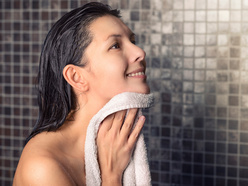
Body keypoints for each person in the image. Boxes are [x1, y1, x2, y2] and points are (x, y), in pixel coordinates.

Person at [13, 2, 150, 185]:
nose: (140, 52)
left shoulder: (116, 143)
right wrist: (111, 176)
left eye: (132, 41)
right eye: (115, 45)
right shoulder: (42, 166)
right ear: (77, 77)